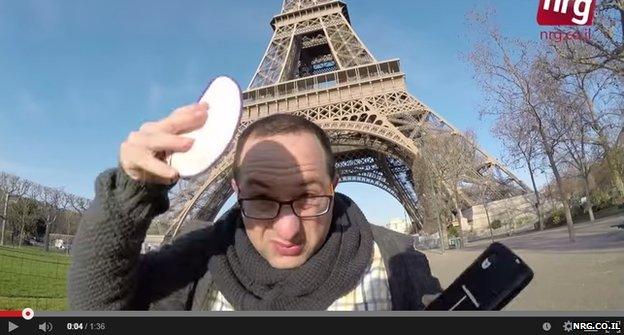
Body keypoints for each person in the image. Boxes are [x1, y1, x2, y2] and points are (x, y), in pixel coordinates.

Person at [68, 102, 441, 311]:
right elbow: (94, 310)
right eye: (261, 199)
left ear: (333, 185)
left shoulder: (398, 261)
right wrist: (128, 191)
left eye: (309, 197)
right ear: (236, 190)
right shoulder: (196, 260)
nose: (288, 229)